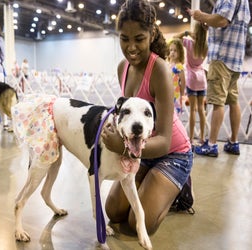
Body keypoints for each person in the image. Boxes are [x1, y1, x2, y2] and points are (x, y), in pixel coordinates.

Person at [101, 0, 193, 235]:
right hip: (141, 149)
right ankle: (151, 182)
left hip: (172, 153)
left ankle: (178, 189)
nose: (131, 47)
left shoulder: (160, 70)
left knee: (138, 223)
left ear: (151, 34)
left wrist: (122, 149)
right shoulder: (123, 67)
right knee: (113, 211)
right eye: (124, 39)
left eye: (139, 39)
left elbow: (162, 139)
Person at [188, 0, 251, 157]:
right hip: (235, 58)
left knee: (217, 102)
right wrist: (208, 22)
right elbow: (227, 23)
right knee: (233, 100)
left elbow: (222, 20)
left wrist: (201, 15)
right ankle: (233, 142)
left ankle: (211, 145)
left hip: (222, 55)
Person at [174, 22, 208, 147]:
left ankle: (192, 138)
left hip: (192, 79)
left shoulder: (189, 43)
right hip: (202, 79)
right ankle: (203, 137)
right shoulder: (206, 46)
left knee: (193, 110)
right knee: (201, 109)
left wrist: (187, 33)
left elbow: (175, 38)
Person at [167, 38, 186, 114]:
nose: (172, 52)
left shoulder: (179, 66)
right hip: (167, 92)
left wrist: (182, 93)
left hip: (176, 94)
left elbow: (183, 82)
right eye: (171, 50)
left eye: (175, 50)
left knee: (175, 114)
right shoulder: (167, 65)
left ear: (180, 52)